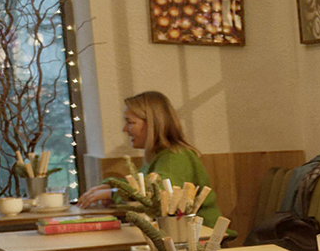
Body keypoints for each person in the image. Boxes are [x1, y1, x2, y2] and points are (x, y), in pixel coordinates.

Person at [78, 91, 221, 227]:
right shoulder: (161, 155)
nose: (125, 129)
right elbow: (141, 186)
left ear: (152, 124)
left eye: (130, 122)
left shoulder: (175, 157)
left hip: (204, 236)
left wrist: (113, 193)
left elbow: (156, 198)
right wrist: (111, 185)